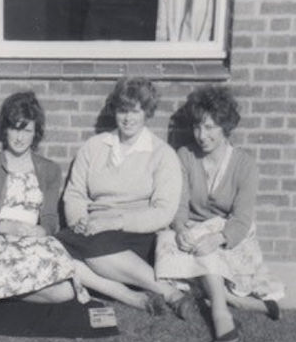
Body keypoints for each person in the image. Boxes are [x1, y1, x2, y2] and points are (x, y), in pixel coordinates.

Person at [0, 91, 150, 319]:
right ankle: (126, 294)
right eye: (14, 128)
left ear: (35, 132)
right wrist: (9, 227)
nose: (19, 137)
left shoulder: (48, 170)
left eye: (26, 130)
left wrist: (42, 230)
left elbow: (50, 219)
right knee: (47, 271)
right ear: (5, 130)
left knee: (65, 292)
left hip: (31, 240)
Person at [155, 85, 285, 342]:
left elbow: (242, 217)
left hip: (228, 235)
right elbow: (179, 205)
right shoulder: (185, 156)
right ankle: (235, 301)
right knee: (165, 241)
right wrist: (180, 229)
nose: (202, 135)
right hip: (192, 229)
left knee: (206, 251)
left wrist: (218, 238)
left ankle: (220, 313)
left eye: (210, 127)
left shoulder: (244, 164)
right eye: (197, 127)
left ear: (225, 127)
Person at [55, 77, 194, 318]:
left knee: (90, 249)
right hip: (92, 230)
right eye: (122, 111)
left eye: (135, 111)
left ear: (147, 113)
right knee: (55, 249)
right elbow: (75, 193)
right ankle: (130, 296)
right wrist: (79, 220)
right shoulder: (95, 147)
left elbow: (163, 212)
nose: (128, 118)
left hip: (136, 235)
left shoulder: (162, 154)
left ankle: (168, 293)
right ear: (115, 112)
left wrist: (114, 222)